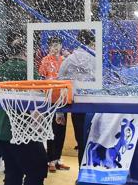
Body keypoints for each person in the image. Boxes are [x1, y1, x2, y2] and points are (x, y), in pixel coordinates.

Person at [0, 30, 48, 185]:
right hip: (20, 129)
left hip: (0, 128)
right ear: (26, 51)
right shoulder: (28, 69)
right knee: (38, 169)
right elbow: (40, 95)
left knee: (13, 172)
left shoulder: (2, 68)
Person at [58, 30, 97, 166]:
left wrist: (60, 111)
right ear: (91, 43)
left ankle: (81, 175)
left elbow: (60, 84)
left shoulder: (68, 60)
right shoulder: (95, 60)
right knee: (93, 142)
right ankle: (90, 175)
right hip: (93, 107)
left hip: (76, 106)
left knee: (81, 142)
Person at [38, 36, 70, 172]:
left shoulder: (65, 60)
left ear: (61, 46)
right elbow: (40, 79)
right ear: (49, 47)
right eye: (53, 45)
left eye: (58, 45)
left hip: (63, 99)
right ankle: (50, 160)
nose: (55, 48)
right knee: (51, 131)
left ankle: (58, 159)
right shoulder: (45, 60)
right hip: (50, 100)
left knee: (61, 131)